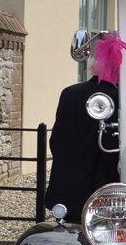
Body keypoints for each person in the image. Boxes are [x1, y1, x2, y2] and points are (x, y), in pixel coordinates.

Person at [44, 73, 120, 224]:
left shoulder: (70, 92)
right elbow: (110, 143)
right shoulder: (115, 96)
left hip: (67, 179)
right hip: (96, 181)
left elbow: (56, 138)